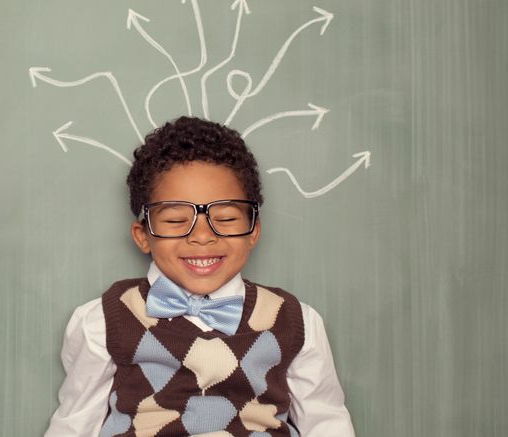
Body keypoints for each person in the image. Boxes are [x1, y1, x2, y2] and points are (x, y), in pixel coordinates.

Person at [45, 116, 355, 437]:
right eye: (177, 220)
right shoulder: (102, 320)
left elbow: (327, 424)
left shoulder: (294, 321)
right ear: (142, 236)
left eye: (226, 217)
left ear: (253, 231)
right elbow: (74, 425)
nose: (203, 236)